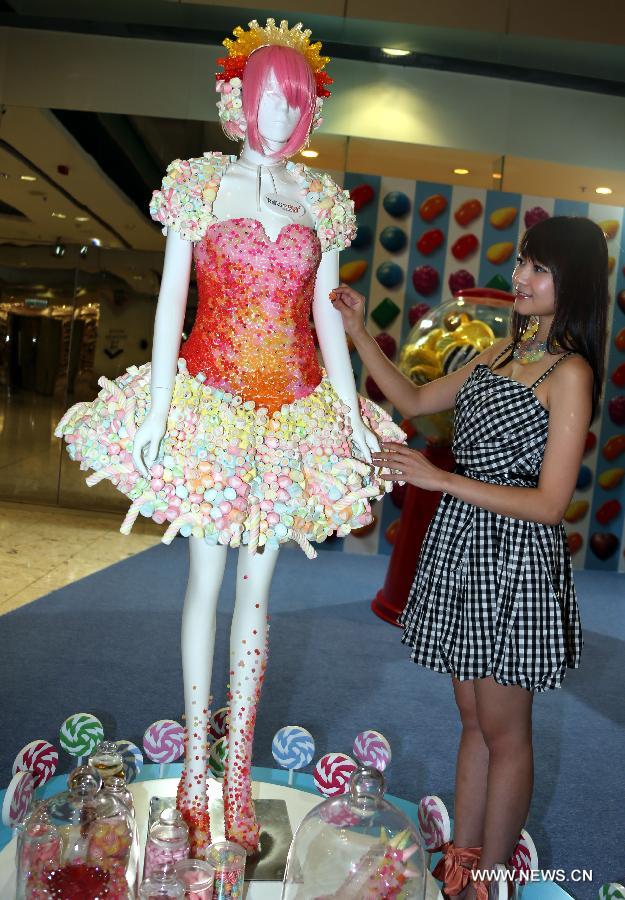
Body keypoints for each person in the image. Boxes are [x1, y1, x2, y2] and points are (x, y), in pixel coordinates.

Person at [55, 19, 404, 858]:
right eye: (268, 103)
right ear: (238, 104)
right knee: (205, 585)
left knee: (258, 595)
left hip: (291, 414)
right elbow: (172, 302)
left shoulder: (321, 201)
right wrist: (156, 408)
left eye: (296, 106)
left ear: (311, 111)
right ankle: (193, 784)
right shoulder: (198, 186)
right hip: (210, 404)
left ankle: (238, 780)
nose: (280, 122)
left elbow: (324, 317)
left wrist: (352, 412)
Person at [330, 215, 608, 899]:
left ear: (570, 283)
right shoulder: (501, 353)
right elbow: (416, 398)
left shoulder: (568, 371)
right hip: (462, 546)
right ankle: (460, 865)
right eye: (520, 262)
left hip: (513, 556)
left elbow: (548, 504)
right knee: (473, 723)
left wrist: (439, 479)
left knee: (506, 730)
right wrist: (359, 330)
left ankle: (487, 880)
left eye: (538, 269)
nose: (520, 277)